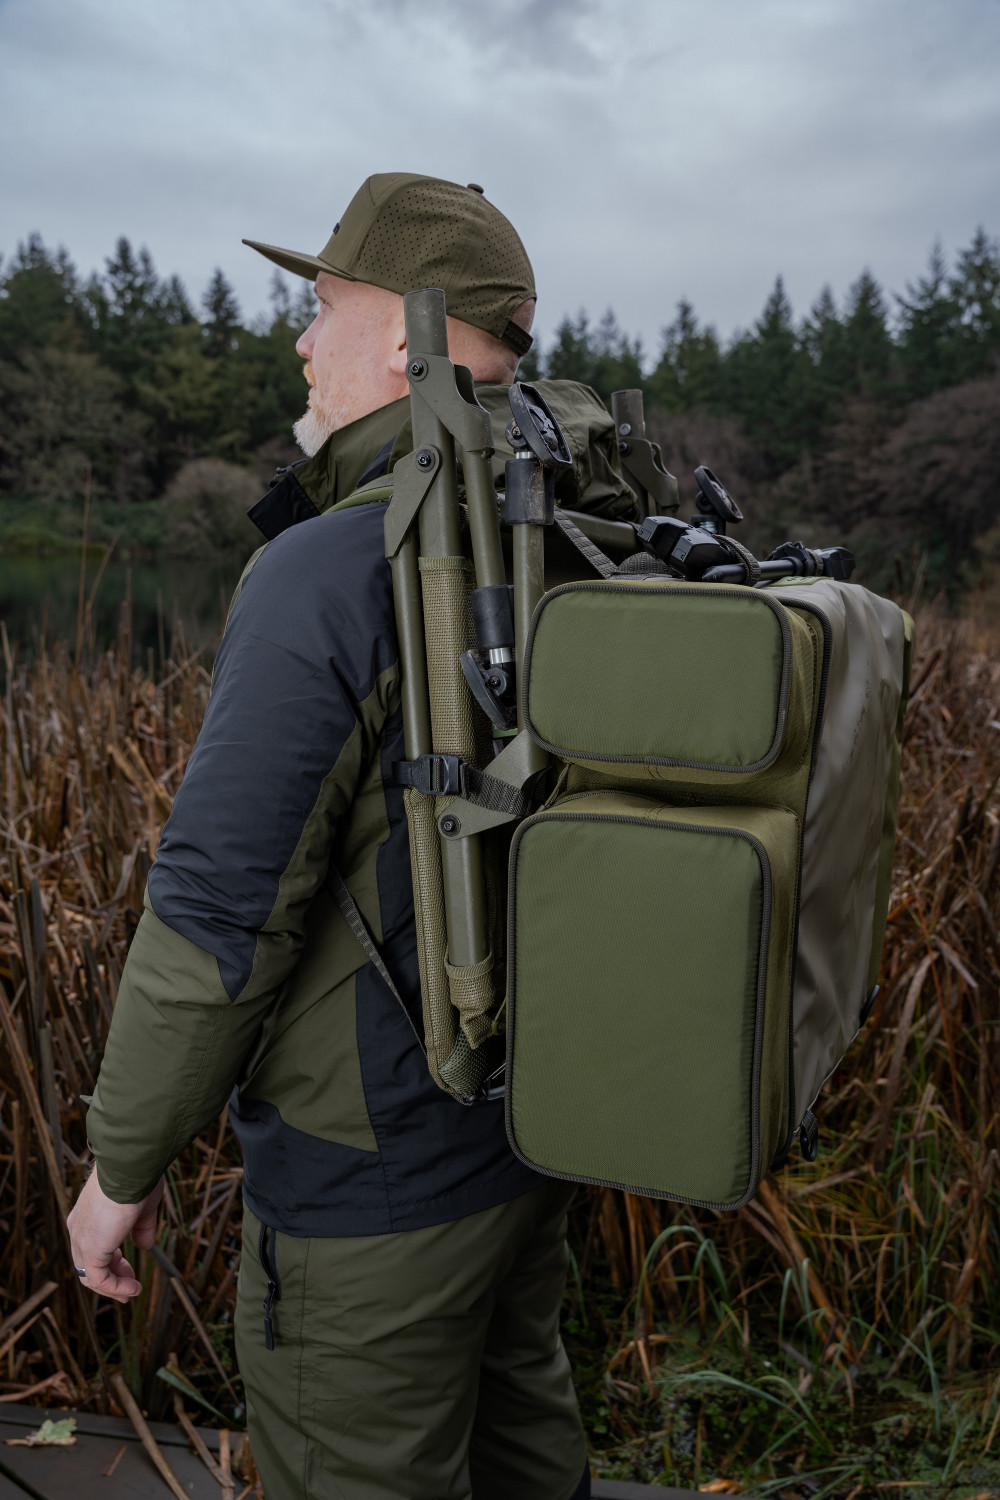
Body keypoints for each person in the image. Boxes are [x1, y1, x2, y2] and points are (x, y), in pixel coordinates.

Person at [67, 173, 630, 1500]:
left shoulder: (328, 569)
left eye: (323, 306)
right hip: (530, 1133)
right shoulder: (564, 520)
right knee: (524, 1446)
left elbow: (220, 906)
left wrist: (122, 1164)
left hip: (370, 1177)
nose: (300, 340)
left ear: (406, 334)